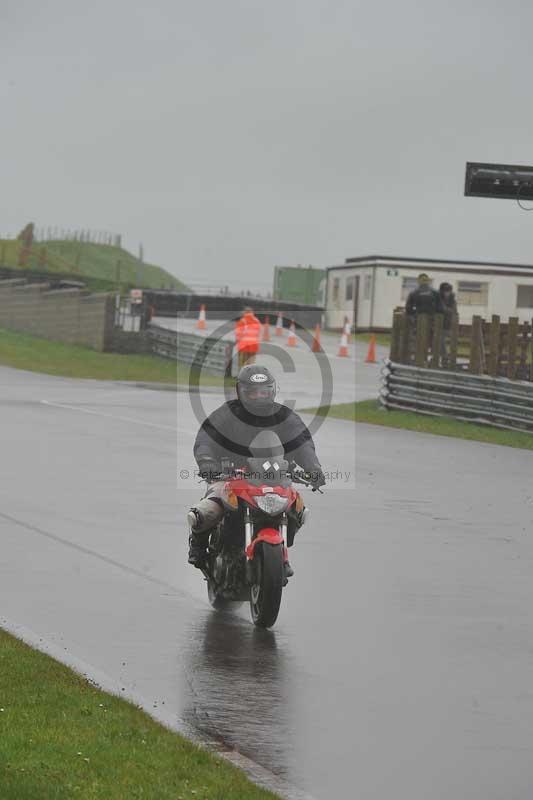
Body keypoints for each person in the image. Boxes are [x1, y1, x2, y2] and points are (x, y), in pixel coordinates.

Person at [187, 364, 326, 575]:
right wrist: (206, 461)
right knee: (207, 511)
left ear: (273, 390)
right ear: (241, 391)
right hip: (230, 476)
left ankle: (281, 553)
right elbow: (206, 437)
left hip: (274, 478)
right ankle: (197, 544)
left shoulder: (285, 417)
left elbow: (302, 443)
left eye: (264, 391)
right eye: (253, 392)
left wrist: (313, 467)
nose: (259, 396)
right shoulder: (228, 414)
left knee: (298, 508)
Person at [438, 282, 457, 365]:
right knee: (440, 341)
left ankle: (445, 358)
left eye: (448, 291)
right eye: (445, 291)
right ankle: (444, 358)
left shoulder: (452, 300)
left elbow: (453, 311)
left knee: (443, 341)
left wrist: (445, 309)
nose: (447, 293)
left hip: (448, 324)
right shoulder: (438, 298)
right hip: (439, 324)